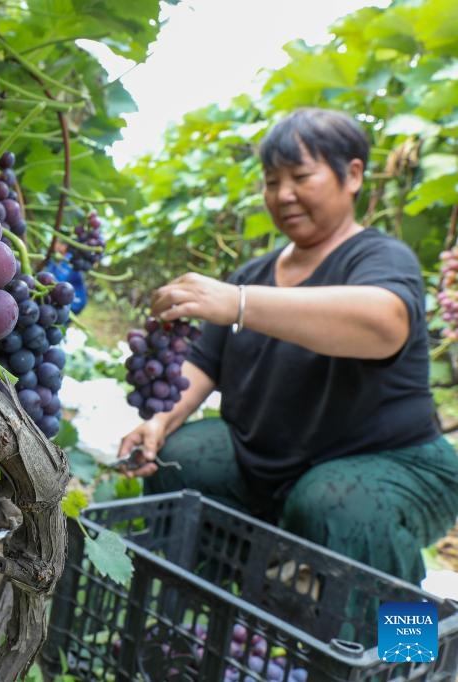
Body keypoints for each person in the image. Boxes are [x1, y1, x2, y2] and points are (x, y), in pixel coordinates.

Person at [116, 107, 458, 585]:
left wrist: (238, 303)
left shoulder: (379, 258)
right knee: (185, 457)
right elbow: (199, 364)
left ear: (353, 175)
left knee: (338, 506)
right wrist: (157, 422)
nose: (283, 195)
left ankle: (407, 651)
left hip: (397, 466)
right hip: (273, 467)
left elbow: (384, 323)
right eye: (272, 181)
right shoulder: (254, 274)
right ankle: (235, 611)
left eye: (300, 176)